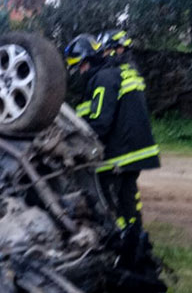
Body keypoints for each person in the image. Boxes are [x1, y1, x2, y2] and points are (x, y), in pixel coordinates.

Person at [65, 34, 160, 230]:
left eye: (80, 65)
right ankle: (135, 234)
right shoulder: (117, 73)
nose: (79, 72)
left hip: (120, 152)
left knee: (110, 199)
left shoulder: (103, 79)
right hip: (134, 148)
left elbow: (100, 121)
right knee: (128, 194)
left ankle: (121, 238)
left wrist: (77, 143)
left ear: (89, 60)